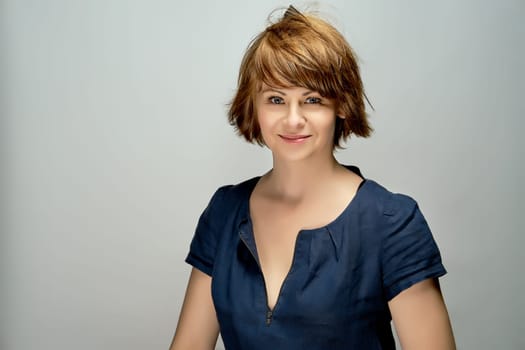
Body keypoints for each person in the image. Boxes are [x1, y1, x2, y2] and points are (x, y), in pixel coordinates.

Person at [169, 5, 455, 350]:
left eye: (312, 99)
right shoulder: (224, 213)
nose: (293, 119)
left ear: (342, 105)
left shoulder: (391, 223)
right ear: (253, 107)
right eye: (276, 99)